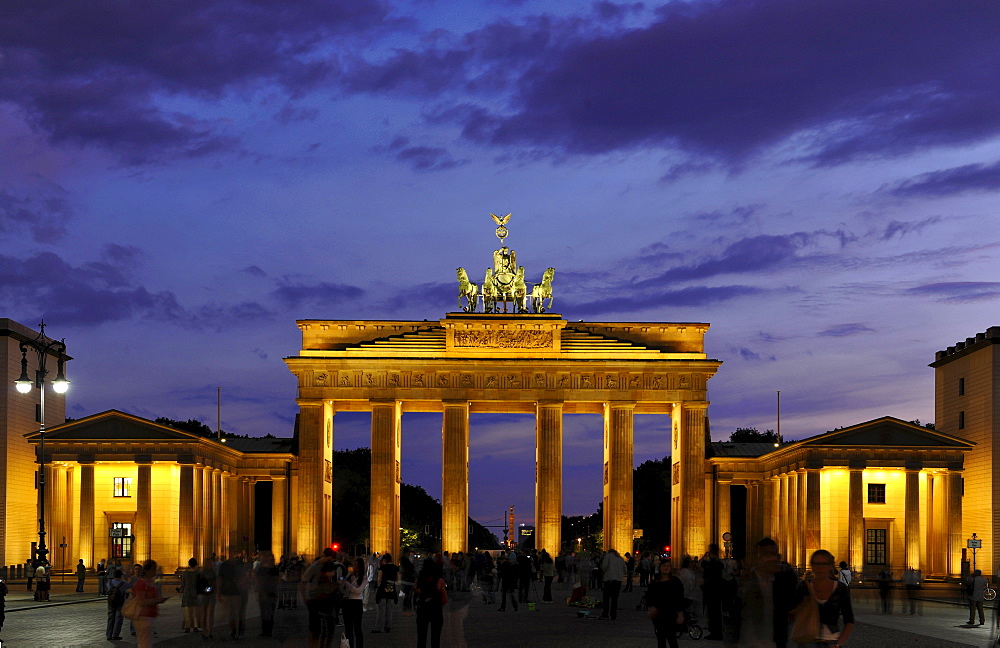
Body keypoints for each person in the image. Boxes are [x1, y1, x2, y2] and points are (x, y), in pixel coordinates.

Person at [737, 537, 798, 647]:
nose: (771, 559)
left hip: (776, 640)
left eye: (774, 554)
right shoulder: (747, 580)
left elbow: (792, 603)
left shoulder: (782, 580)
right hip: (751, 641)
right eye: (766, 554)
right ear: (757, 557)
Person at [792, 549, 855, 647]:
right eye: (816, 564)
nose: (820, 568)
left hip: (831, 641)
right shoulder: (804, 587)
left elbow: (849, 620)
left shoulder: (840, 589)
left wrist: (838, 644)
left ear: (830, 566)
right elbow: (792, 614)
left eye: (824, 564)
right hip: (807, 640)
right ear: (812, 566)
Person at [299, 548, 337, 648]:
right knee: (315, 629)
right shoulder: (314, 566)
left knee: (325, 629)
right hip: (315, 599)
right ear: (327, 557)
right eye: (331, 559)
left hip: (325, 599)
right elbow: (303, 581)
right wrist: (304, 598)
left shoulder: (328, 566)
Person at [645, 558, 685, 648]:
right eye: (664, 566)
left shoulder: (675, 581)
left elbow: (680, 598)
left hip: (671, 613)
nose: (666, 568)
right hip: (658, 613)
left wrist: (680, 613)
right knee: (660, 637)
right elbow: (649, 596)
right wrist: (650, 607)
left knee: (671, 637)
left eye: (668, 566)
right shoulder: (655, 581)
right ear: (659, 567)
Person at [132, 559, 169, 648]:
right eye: (154, 569)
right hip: (143, 617)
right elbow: (140, 601)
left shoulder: (149, 582)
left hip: (148, 617)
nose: (155, 572)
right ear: (148, 570)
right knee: (145, 644)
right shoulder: (142, 583)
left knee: (146, 643)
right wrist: (157, 601)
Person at [414, 557, 447, 648]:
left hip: (422, 610)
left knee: (421, 637)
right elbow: (444, 598)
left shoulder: (419, 580)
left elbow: (416, 593)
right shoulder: (440, 581)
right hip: (436, 610)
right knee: (436, 638)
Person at [341, 557, 366, 648]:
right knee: (348, 629)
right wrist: (345, 578)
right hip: (347, 602)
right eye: (353, 565)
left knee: (357, 628)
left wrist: (347, 584)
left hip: (357, 603)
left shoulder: (363, 577)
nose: (353, 567)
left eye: (355, 565)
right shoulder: (349, 576)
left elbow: (358, 591)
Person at [217, 555, 243, 640]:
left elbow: (220, 579)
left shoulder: (225, 565)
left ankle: (228, 630)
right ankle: (233, 631)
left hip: (228, 591)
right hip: (233, 591)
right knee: (232, 612)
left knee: (226, 612)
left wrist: (218, 592)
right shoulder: (237, 565)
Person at [701, 544, 724, 640]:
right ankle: (716, 632)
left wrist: (704, 557)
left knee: (712, 612)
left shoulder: (710, 564)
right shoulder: (719, 563)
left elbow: (699, 566)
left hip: (711, 591)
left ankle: (715, 633)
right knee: (716, 613)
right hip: (717, 591)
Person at [255, 551, 280, 637]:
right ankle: (265, 630)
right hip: (267, 592)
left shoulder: (269, 569)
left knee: (268, 612)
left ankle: (268, 631)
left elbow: (258, 580)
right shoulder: (268, 568)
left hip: (270, 592)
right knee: (265, 612)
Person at [374, 552, 399, 633]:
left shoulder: (382, 568)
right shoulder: (396, 568)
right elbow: (398, 581)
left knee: (381, 610)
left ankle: (378, 628)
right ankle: (388, 626)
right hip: (391, 590)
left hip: (383, 590)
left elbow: (379, 580)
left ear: (384, 560)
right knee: (389, 610)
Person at [599, 548, 626, 620]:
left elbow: (604, 567)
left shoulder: (607, 557)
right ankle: (613, 614)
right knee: (615, 599)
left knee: (606, 598)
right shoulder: (621, 558)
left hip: (609, 579)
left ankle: (605, 613)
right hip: (618, 581)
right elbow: (625, 569)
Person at [197, 559, 217, 639]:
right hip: (203, 594)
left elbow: (216, 583)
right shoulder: (201, 573)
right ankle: (205, 631)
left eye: (211, 563)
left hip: (211, 594)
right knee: (204, 614)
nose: (210, 565)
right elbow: (198, 584)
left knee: (211, 613)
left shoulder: (214, 572)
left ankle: (210, 631)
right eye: (209, 563)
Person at [106, 567, 128, 640]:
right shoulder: (124, 584)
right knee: (118, 618)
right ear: (120, 575)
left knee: (110, 618)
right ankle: (115, 634)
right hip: (120, 602)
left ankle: (108, 635)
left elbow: (108, 589)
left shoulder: (109, 582)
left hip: (111, 602)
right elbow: (131, 585)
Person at [179, 557, 200, 633]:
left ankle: (187, 627)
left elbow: (183, 584)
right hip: (195, 593)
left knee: (187, 612)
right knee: (195, 612)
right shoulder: (198, 573)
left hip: (187, 593)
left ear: (189, 564)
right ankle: (195, 626)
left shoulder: (185, 573)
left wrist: (180, 589)